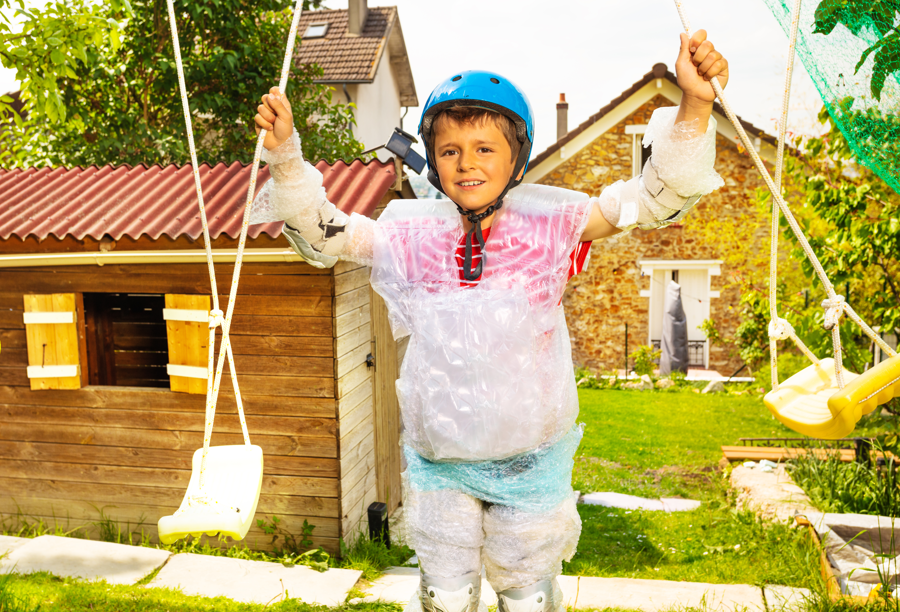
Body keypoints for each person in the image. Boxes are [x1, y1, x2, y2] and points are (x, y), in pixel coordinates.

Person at [250, 30, 728, 612]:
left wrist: (696, 104)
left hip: (529, 460)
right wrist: (286, 155)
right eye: (450, 150)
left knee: (526, 597)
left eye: (484, 148)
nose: (466, 163)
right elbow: (325, 233)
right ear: (434, 158)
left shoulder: (552, 225)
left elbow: (655, 198)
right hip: (441, 465)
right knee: (445, 597)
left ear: (516, 158)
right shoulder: (414, 235)